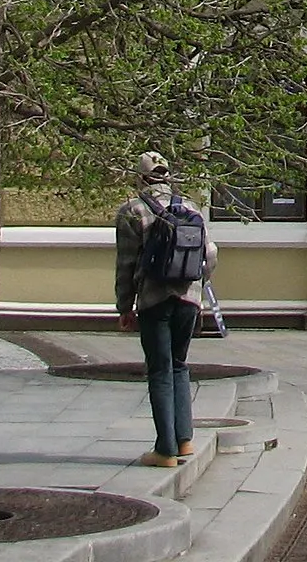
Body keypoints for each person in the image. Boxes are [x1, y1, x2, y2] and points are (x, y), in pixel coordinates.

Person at [115, 152, 214, 468]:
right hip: (189, 299)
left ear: (141, 178)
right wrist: (198, 287)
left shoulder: (132, 211)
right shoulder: (190, 208)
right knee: (179, 365)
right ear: (167, 177)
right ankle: (185, 441)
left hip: (154, 299)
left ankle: (165, 449)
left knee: (159, 369)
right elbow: (209, 255)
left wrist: (124, 307)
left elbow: (126, 264)